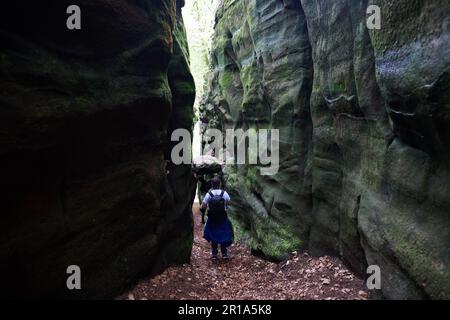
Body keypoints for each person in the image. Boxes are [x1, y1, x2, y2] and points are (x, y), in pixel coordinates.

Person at [200, 177, 234, 259]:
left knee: (213, 234)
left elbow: (203, 206)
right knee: (223, 234)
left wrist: (202, 211)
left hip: (212, 218)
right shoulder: (224, 193)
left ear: (212, 185)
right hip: (223, 217)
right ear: (220, 184)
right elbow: (229, 203)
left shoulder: (209, 194)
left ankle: (214, 254)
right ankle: (224, 254)